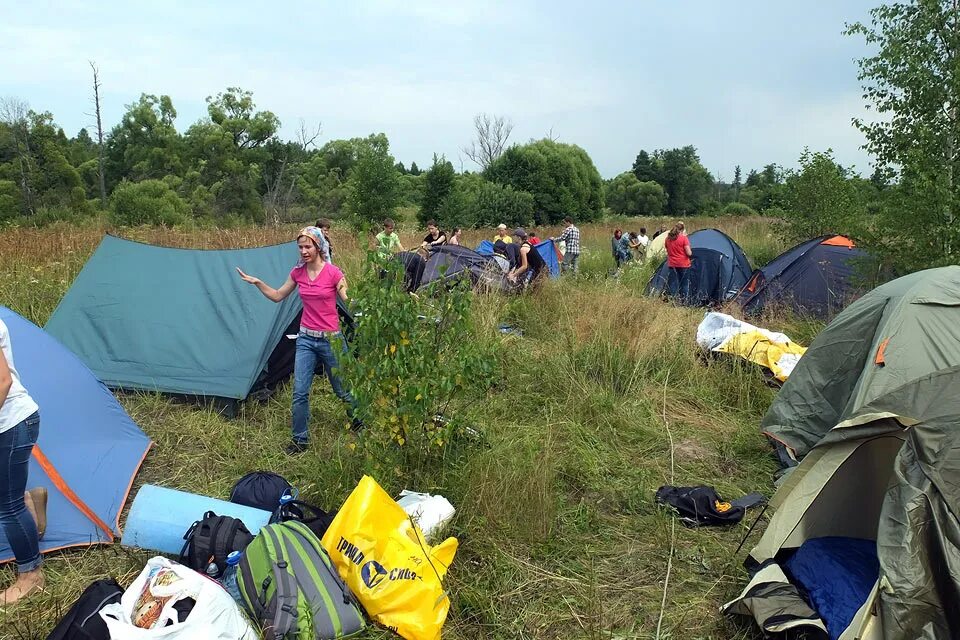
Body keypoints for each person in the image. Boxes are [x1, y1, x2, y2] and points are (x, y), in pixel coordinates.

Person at [237, 227, 359, 454]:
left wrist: (366, 304)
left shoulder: (334, 273)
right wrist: (257, 282)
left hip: (331, 340)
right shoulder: (298, 273)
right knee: (300, 391)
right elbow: (277, 296)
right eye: (300, 247)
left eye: (308, 246)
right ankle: (299, 440)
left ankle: (358, 421)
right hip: (305, 339)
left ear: (318, 247)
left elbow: (349, 301)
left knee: (341, 389)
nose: (303, 251)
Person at [0, 316, 46, 604]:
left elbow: (3, 381)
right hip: (10, 423)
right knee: (8, 494)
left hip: (13, 423)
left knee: (7, 505)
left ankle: (32, 575)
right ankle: (33, 503)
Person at [664, 222, 693, 302]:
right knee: (684, 284)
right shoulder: (684, 238)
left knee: (673, 283)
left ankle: (673, 300)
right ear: (682, 230)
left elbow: (667, 250)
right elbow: (689, 253)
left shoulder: (668, 239)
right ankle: (683, 301)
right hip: (683, 264)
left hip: (672, 264)